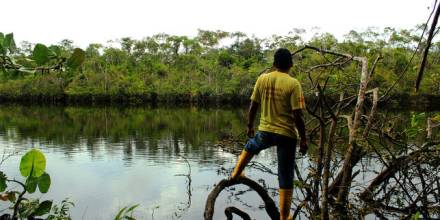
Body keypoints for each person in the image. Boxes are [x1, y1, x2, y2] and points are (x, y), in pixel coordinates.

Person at [230, 48, 307, 220]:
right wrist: (303, 139)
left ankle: (236, 174)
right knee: (285, 174)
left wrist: (250, 125)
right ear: (291, 65)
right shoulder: (293, 84)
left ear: (274, 64)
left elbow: (253, 106)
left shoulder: (263, 78)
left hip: (265, 131)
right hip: (287, 135)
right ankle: (284, 216)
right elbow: (298, 116)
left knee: (251, 145)